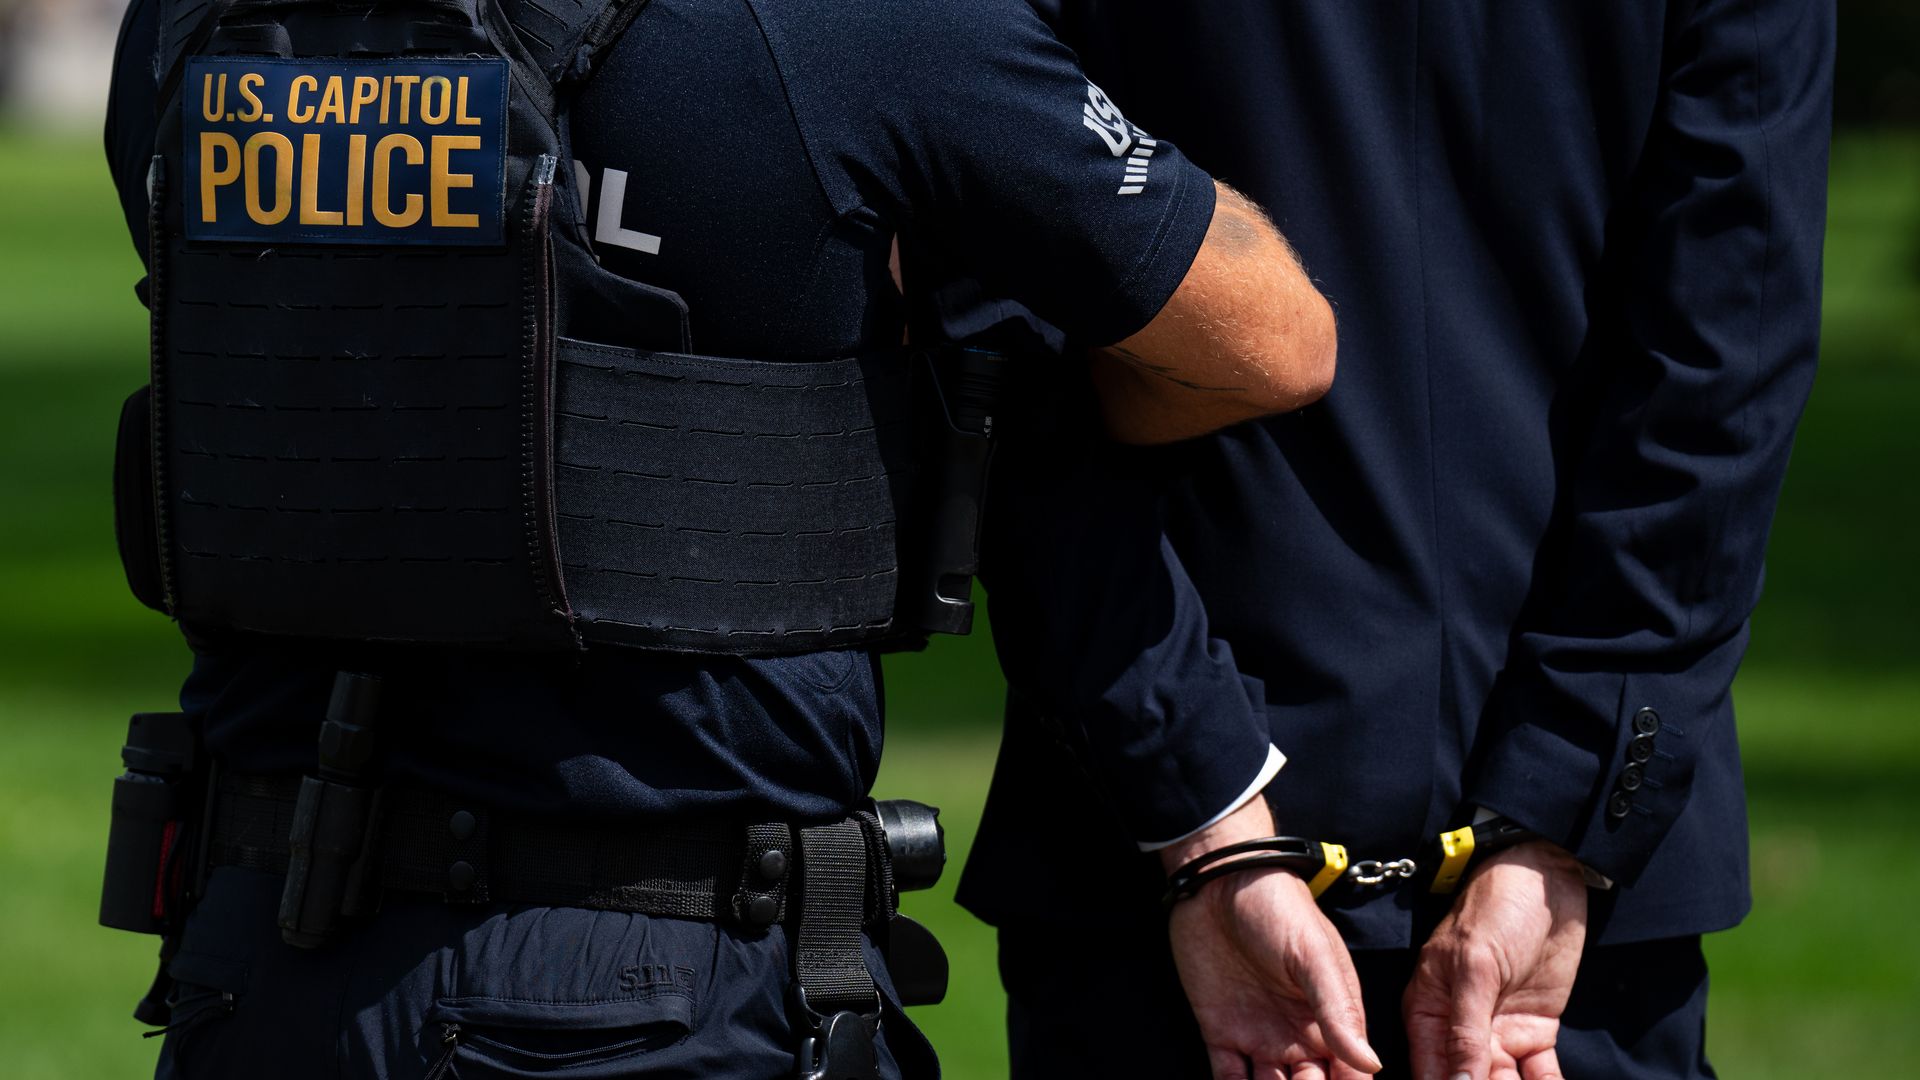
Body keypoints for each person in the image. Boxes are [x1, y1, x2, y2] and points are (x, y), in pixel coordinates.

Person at [99, 0, 1341, 1077]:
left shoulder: (190, 29)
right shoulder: (849, 26)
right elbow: (1275, 343)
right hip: (659, 979)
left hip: (253, 955)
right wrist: (973, 398)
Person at [960, 1, 1835, 1078]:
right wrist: (1567, 800)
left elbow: (1001, 326)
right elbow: (1725, 361)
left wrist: (1197, 796)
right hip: (1543, 916)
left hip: (1163, 858)